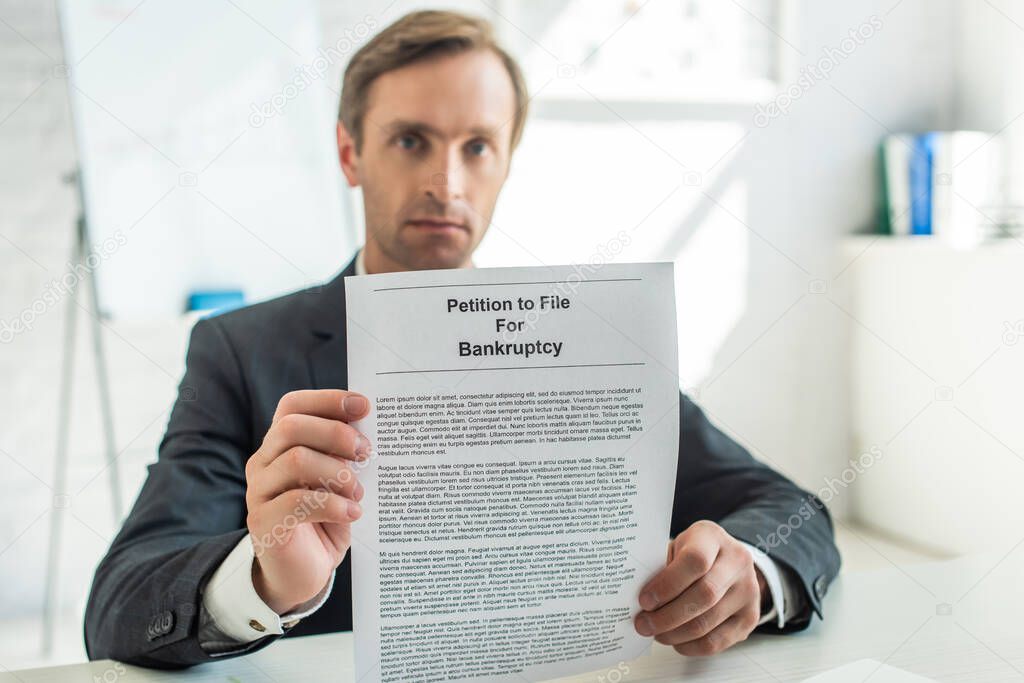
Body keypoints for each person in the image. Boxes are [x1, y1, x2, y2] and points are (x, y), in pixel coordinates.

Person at [84, 9, 840, 669]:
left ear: (507, 162)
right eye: (412, 140)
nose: (446, 181)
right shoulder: (241, 352)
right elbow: (119, 604)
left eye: (477, 146)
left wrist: (748, 574)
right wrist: (263, 578)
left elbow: (789, 506)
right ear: (351, 154)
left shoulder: (584, 340)